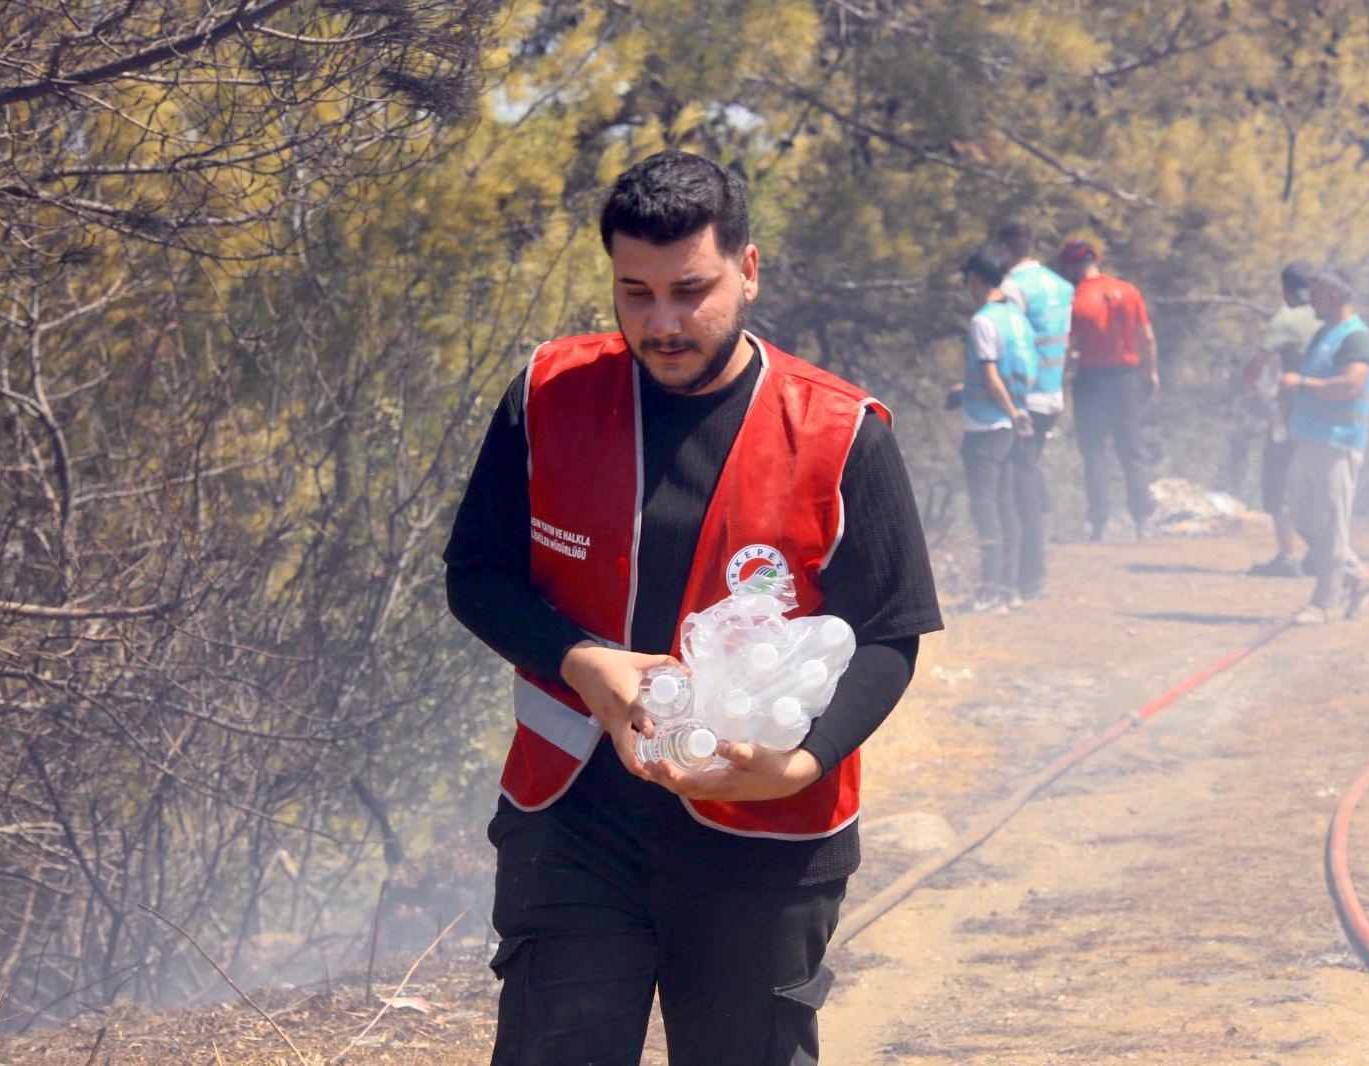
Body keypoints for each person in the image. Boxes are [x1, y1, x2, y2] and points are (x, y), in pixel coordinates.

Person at [443, 150, 943, 1065]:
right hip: (573, 820)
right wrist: (582, 661)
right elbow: (475, 575)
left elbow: (891, 634)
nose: (663, 323)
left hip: (767, 840)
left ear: (748, 269)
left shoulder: (840, 433)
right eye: (635, 293)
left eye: (691, 290)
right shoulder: (549, 395)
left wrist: (801, 763)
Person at [1278, 267, 1369, 625]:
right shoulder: (1325, 333)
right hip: (1310, 438)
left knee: (1332, 523)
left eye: (1317, 296)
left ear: (1335, 297)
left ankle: (1324, 603)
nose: (1311, 304)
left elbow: (1350, 385)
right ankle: (1360, 578)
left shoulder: (1355, 338)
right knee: (1302, 517)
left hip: (1338, 442)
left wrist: (1301, 383)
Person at [955, 243, 1042, 611]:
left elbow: (991, 377)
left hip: (987, 424)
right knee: (1007, 506)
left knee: (985, 507)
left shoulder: (983, 320)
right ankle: (1010, 589)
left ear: (975, 280)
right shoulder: (1018, 318)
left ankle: (989, 590)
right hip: (1013, 420)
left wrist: (1009, 411)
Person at [1057, 240, 1159, 540]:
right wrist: (1151, 372)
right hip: (1125, 377)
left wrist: (1060, 378)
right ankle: (1143, 520)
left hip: (1091, 379)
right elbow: (1147, 337)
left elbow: (1067, 345)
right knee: (1132, 450)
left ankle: (1098, 522)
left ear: (1073, 266)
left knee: (1094, 452)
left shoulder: (1076, 298)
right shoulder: (1128, 290)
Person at [993, 222, 1072, 597]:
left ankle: (1029, 577)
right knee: (1029, 477)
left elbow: (1014, 343)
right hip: (1053, 394)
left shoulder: (1012, 288)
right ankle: (1030, 574)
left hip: (1026, 400)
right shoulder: (1061, 285)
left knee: (1017, 486)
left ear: (1005, 249)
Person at [1242, 261, 1322, 577]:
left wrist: (1264, 400)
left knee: (1278, 482)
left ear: (1287, 290)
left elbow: (1254, 368)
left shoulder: (1286, 321)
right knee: (1317, 484)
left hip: (1290, 415)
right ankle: (1320, 552)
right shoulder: (1330, 318)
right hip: (1327, 414)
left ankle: (1287, 556)